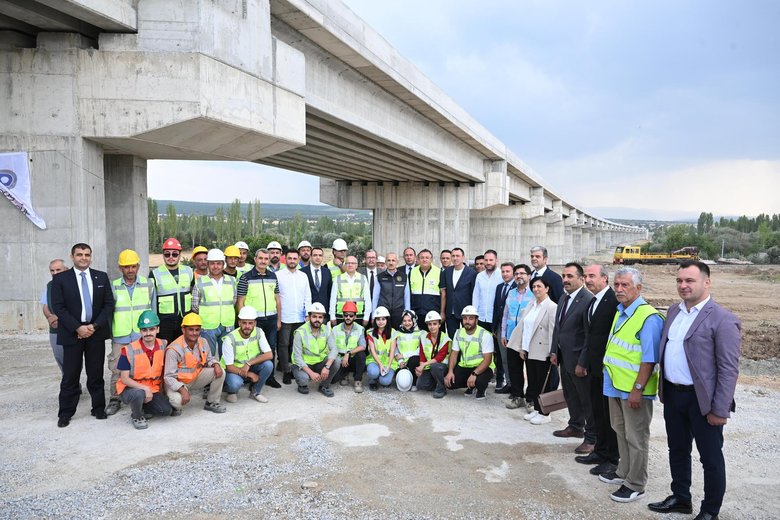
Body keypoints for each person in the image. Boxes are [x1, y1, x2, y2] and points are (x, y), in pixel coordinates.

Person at [649, 261, 741, 520]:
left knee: (710, 459)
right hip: (674, 396)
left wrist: (719, 409)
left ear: (707, 282)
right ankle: (681, 497)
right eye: (679, 280)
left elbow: (728, 369)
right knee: (677, 450)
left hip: (704, 402)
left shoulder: (723, 319)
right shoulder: (673, 312)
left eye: (690, 280)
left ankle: (710, 511)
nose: (683, 285)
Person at [599, 267, 663, 504]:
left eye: (625, 285)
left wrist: (638, 389)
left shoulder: (648, 317)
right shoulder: (621, 311)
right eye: (617, 285)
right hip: (616, 385)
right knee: (620, 430)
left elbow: (649, 358)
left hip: (634, 390)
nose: (619, 289)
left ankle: (636, 483)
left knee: (636, 438)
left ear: (638, 288)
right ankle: (623, 472)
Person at [51, 243, 115, 427]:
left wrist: (93, 326)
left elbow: (108, 305)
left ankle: (98, 408)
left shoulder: (100, 277)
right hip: (73, 335)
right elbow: (59, 307)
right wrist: (78, 327)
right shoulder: (61, 279)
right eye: (79, 254)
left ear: (91, 256)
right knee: (70, 375)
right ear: (72, 257)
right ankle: (65, 413)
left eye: (87, 254)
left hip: (95, 333)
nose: (83, 258)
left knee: (95, 374)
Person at [577, 264, 620, 476]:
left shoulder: (613, 301)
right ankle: (600, 451)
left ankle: (612, 458)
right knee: (597, 412)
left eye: (592, 276)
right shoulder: (593, 301)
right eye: (585, 276)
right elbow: (590, 336)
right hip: (594, 368)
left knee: (609, 415)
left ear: (604, 278)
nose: (587, 279)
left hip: (607, 368)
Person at [550, 262, 596, 454]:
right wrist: (554, 351)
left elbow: (589, 335)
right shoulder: (563, 298)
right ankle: (575, 426)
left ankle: (592, 438)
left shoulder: (588, 300)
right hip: (563, 357)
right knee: (570, 395)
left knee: (586, 399)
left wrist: (583, 362)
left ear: (581, 278)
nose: (565, 280)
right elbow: (558, 328)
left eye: (570, 276)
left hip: (578, 361)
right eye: (563, 276)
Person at [107, 249, 155, 416]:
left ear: (138, 266)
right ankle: (115, 399)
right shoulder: (113, 286)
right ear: (121, 268)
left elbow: (153, 310)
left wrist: (152, 330)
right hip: (120, 334)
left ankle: (143, 397)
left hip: (141, 334)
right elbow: (109, 311)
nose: (130, 270)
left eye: (133, 266)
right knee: (117, 368)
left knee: (142, 366)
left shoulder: (148, 284)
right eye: (126, 267)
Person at [507, 277, 557, 424]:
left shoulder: (552, 307)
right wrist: (522, 347)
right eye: (534, 286)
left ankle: (545, 413)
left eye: (539, 286)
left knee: (543, 383)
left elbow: (554, 331)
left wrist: (553, 352)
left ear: (547, 288)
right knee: (533, 382)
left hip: (543, 350)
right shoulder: (531, 304)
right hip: (529, 349)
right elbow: (524, 328)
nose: (536, 289)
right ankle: (536, 409)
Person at [116, 310, 173, 429]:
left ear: (158, 329)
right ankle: (137, 416)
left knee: (166, 411)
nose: (148, 333)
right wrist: (144, 388)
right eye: (144, 330)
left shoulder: (164, 344)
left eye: (151, 329)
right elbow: (124, 379)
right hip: (130, 389)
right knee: (138, 394)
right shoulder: (128, 350)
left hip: (152, 388)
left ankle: (142, 406)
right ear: (140, 331)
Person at [236, 248, 282, 389]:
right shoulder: (246, 277)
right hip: (255, 321)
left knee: (271, 348)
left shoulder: (273, 276)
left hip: (272, 319)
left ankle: (270, 377)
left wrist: (279, 319)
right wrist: (243, 321)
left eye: (266, 259)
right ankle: (251, 377)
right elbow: (240, 301)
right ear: (255, 259)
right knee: (255, 349)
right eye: (260, 258)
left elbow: (277, 299)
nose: (263, 261)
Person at [163, 312, 226, 414]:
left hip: (195, 378)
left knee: (221, 372)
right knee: (176, 402)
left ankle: (212, 402)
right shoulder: (173, 349)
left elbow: (210, 358)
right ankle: (169, 401)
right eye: (191, 329)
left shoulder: (203, 341)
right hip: (178, 382)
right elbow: (168, 377)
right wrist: (183, 390)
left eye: (197, 330)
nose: (194, 333)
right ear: (183, 330)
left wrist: (216, 364)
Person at [221, 305, 274, 403]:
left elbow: (269, 354)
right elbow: (229, 367)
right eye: (244, 323)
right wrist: (249, 374)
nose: (247, 326)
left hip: (250, 366)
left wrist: (248, 364)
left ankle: (255, 391)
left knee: (268, 365)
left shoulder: (259, 332)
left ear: (255, 323)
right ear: (239, 323)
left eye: (250, 323)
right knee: (234, 383)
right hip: (234, 370)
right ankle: (232, 392)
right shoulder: (229, 339)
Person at [276, 249, 312, 384]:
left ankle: (296, 368)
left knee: (296, 345)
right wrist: (278, 317)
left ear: (298, 260)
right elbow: (277, 297)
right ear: (285, 259)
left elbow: (308, 296)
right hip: (285, 316)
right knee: (284, 344)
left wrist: (308, 314)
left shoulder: (303, 276)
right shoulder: (278, 276)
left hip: (301, 317)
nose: (292, 261)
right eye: (289, 258)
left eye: (294, 258)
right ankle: (286, 370)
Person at [191, 248, 236, 358]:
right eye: (212, 263)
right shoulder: (200, 282)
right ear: (208, 264)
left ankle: (226, 375)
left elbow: (233, 301)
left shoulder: (232, 281)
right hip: (208, 326)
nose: (215, 267)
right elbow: (194, 306)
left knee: (227, 357)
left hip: (227, 324)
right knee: (207, 357)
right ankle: (210, 375)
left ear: (223, 264)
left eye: (218, 263)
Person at [444, 305, 494, 400]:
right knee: (449, 383)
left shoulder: (485, 335)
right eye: (465, 318)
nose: (467, 321)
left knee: (480, 382)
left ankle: (480, 388)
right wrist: (450, 372)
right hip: (465, 366)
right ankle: (470, 386)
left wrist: (474, 374)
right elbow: (454, 354)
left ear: (476, 320)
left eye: (471, 318)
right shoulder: (458, 333)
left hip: (482, 368)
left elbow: (488, 360)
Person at [501, 264, 534, 404]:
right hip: (511, 336)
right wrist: (503, 334)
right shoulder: (511, 293)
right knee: (514, 368)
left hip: (528, 338)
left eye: (522, 273)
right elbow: (505, 315)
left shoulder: (535, 293)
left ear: (529, 276)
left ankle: (531, 398)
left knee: (531, 369)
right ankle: (517, 395)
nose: (519, 276)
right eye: (516, 274)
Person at [150, 237, 194, 343]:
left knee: (183, 351)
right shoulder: (155, 274)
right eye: (167, 254)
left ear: (179, 254)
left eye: (174, 254)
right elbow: (151, 300)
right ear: (163, 255)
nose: (171, 257)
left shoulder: (188, 271)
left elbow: (194, 293)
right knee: (165, 351)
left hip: (185, 320)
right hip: (164, 322)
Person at [291, 302, 338, 397]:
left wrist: (327, 367)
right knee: (304, 379)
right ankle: (302, 385)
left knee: (336, 361)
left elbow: (334, 349)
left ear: (323, 319)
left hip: (319, 362)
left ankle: (324, 385)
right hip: (303, 364)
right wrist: (311, 373)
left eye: (320, 317)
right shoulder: (300, 332)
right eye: (314, 316)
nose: (317, 320)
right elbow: (297, 357)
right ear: (309, 317)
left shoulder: (327, 330)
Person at [471, 250, 503, 385]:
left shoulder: (502, 274)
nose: (488, 263)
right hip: (482, 319)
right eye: (486, 260)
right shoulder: (480, 276)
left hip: (495, 319)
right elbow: (476, 296)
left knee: (498, 351)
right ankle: (482, 375)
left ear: (496, 260)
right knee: (482, 349)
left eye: (491, 260)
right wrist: (474, 316)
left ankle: (500, 378)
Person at [329, 301, 367, 393]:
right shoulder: (335, 329)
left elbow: (363, 346)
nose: (348, 317)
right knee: (333, 380)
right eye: (346, 315)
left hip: (352, 359)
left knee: (361, 355)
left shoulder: (360, 329)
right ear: (343, 316)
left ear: (355, 317)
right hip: (340, 360)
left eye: (351, 315)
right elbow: (331, 347)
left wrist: (348, 353)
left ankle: (357, 380)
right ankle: (344, 374)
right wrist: (339, 359)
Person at [440, 247, 477, 337]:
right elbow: (443, 293)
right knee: (452, 337)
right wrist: (442, 312)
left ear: (463, 257)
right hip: (450, 313)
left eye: (458, 256)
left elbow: (474, 294)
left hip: (466, 312)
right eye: (453, 256)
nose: (455, 258)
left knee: (467, 336)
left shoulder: (472, 273)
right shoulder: (446, 272)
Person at [491, 261, 516, 392]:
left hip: (514, 328)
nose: (505, 274)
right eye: (503, 271)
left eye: (508, 271)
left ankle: (516, 385)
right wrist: (495, 328)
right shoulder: (499, 287)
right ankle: (509, 383)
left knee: (515, 359)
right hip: (501, 328)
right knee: (504, 357)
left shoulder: (518, 287)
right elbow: (496, 308)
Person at [41, 258, 68, 375]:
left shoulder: (72, 284)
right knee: (59, 357)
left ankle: (71, 385)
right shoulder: (50, 285)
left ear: (66, 270)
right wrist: (49, 317)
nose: (55, 273)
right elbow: (45, 306)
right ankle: (70, 383)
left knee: (72, 359)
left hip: (70, 327)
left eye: (58, 269)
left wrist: (60, 318)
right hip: (55, 328)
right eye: (52, 270)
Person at [416, 310, 450, 399]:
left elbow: (439, 358)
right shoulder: (423, 337)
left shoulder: (445, 338)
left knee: (435, 366)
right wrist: (421, 368)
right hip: (430, 367)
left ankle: (441, 388)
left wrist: (423, 365)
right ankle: (437, 383)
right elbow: (422, 355)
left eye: (434, 324)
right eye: (429, 324)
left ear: (439, 324)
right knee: (420, 385)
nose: (432, 327)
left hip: (442, 367)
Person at [330, 255, 371, 326]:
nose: (350, 265)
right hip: (341, 315)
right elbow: (333, 299)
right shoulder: (338, 278)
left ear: (357, 265)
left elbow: (367, 299)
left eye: (353, 263)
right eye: (348, 263)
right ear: (345, 265)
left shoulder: (363, 278)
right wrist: (332, 316)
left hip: (358, 315)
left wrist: (366, 317)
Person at [373, 252, 410, 330]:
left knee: (397, 335)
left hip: (399, 312)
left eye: (393, 260)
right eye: (389, 260)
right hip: (383, 313)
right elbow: (375, 297)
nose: (391, 263)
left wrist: (407, 313)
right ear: (385, 262)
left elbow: (407, 296)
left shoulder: (404, 277)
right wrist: (374, 314)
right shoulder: (379, 277)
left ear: (397, 262)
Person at [365, 306, 397, 391]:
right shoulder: (370, 333)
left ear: (387, 320)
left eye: (383, 319)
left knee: (385, 382)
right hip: (374, 361)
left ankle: (382, 377)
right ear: (375, 320)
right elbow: (372, 351)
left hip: (388, 362)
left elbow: (392, 351)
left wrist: (388, 366)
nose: (380, 322)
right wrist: (380, 365)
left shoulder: (393, 332)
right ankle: (373, 380)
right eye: (378, 319)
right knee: (373, 372)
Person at [409, 249, 441, 331]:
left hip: (433, 313)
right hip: (416, 313)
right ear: (418, 259)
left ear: (431, 259)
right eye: (422, 257)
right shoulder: (412, 272)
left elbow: (443, 294)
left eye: (427, 257)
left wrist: (442, 312)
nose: (424, 259)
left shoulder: (439, 272)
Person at [301, 246, 333, 322]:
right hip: (309, 314)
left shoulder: (327, 272)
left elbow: (329, 293)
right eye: (315, 255)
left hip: (324, 313)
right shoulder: (302, 272)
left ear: (322, 257)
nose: (318, 257)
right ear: (310, 257)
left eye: (320, 255)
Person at [394, 310, 421, 387]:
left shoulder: (421, 333)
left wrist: (404, 355)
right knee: (402, 380)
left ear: (414, 320)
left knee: (414, 359)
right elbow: (396, 349)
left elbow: (420, 350)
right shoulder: (397, 333)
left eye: (409, 320)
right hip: (401, 362)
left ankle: (414, 383)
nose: (407, 323)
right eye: (404, 321)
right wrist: (400, 361)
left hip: (413, 361)